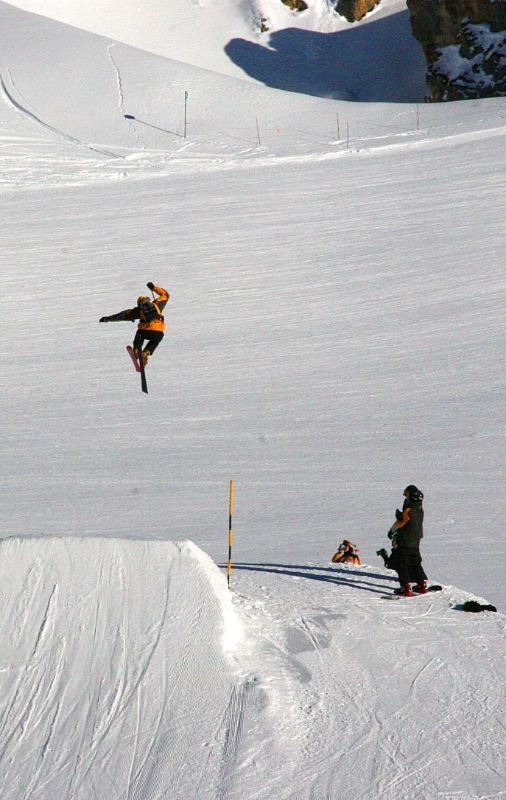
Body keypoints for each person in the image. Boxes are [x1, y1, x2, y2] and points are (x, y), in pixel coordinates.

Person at [100, 283, 169, 365]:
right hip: (159, 332)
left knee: (140, 334)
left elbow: (122, 316)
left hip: (145, 331)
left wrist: (108, 318)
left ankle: (137, 350)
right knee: (155, 341)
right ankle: (146, 352)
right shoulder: (157, 304)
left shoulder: (138, 311)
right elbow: (165, 294)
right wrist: (153, 288)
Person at [385, 485, 428, 597]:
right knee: (416, 562)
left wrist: (391, 531)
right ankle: (422, 584)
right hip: (415, 541)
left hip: (405, 541)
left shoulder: (409, 510)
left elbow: (401, 523)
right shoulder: (420, 509)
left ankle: (405, 587)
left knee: (402, 564)